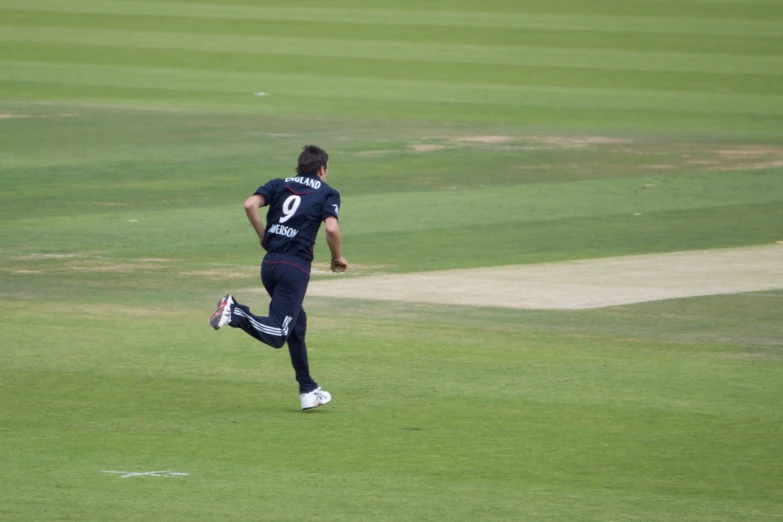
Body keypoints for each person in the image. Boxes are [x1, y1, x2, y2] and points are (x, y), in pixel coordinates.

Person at [209, 145, 348, 411]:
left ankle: (308, 389)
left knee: (297, 323)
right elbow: (331, 228)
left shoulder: (279, 184)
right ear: (323, 169)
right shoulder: (328, 192)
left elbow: (250, 204)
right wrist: (336, 258)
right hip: (293, 269)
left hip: (269, 265)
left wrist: (263, 236)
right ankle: (235, 311)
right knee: (277, 334)